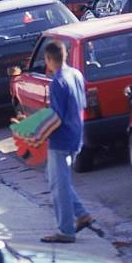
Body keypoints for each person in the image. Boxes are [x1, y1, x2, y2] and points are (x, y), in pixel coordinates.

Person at [39, 41, 93, 243]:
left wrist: (39, 134)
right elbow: (82, 104)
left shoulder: (57, 82)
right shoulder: (76, 75)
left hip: (61, 139)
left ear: (49, 59)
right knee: (56, 179)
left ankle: (65, 230)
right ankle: (82, 214)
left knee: (58, 185)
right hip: (76, 133)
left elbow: (56, 116)